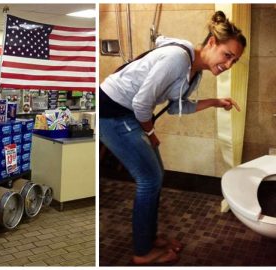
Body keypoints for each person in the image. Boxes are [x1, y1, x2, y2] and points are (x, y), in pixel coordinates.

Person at [99, 10, 246, 266]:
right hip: (111, 112)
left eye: (234, 61)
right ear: (212, 43)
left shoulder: (194, 71)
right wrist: (151, 134)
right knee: (149, 178)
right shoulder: (178, 58)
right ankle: (142, 252)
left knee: (156, 174)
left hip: (128, 112)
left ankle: (149, 238)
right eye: (227, 55)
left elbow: (179, 106)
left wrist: (214, 102)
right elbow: (142, 104)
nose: (228, 65)